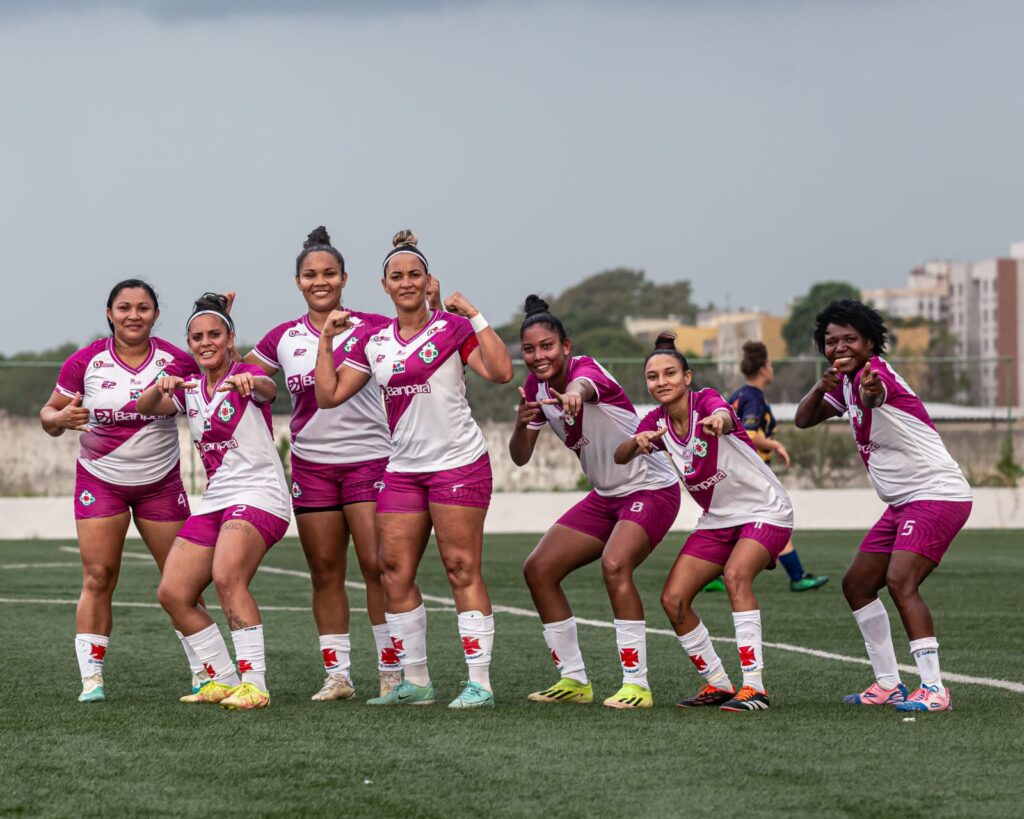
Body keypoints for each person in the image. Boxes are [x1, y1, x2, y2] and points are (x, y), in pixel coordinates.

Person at [315, 229, 513, 709]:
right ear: (384, 285)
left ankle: (479, 684)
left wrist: (476, 316)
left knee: (461, 567)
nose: (406, 283)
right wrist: (326, 341)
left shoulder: (451, 329)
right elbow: (329, 395)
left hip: (457, 464)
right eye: (397, 276)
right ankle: (418, 682)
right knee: (393, 571)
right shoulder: (375, 341)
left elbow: (501, 372)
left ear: (428, 282)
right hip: (403, 469)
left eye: (415, 275)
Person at [245, 226, 400, 702]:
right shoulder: (283, 337)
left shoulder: (374, 326)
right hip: (311, 467)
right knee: (325, 572)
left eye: (329, 273)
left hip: (369, 461)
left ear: (344, 278)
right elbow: (241, 372)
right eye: (310, 274)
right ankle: (338, 676)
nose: (320, 281)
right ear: (297, 282)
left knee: (377, 568)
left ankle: (391, 672)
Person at [794, 299, 971, 713]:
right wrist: (821, 386)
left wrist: (869, 392)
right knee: (856, 585)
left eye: (850, 339)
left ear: (870, 342)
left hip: (936, 494)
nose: (839, 346)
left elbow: (875, 396)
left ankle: (934, 688)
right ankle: (889, 683)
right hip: (903, 503)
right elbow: (803, 420)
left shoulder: (876, 376)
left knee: (900, 581)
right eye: (831, 340)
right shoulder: (844, 381)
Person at [40, 279, 206, 703]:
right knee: (98, 577)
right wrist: (61, 419)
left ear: (155, 314)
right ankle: (92, 680)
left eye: (144, 307)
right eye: (125, 307)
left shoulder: (177, 361)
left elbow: (207, 403)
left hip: (161, 485)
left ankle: (205, 672)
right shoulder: (85, 361)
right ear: (109, 313)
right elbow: (49, 413)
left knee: (182, 583)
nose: (134, 315)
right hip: (100, 481)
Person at [510, 296, 681, 709]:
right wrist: (521, 420)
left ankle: (636, 685)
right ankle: (574, 680)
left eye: (547, 346)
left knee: (615, 563)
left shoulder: (587, 370)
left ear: (565, 346)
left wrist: (572, 394)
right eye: (529, 349)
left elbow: (584, 386)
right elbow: (519, 456)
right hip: (606, 496)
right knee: (539, 569)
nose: (538, 356)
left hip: (650, 489)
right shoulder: (534, 388)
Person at [615, 333, 795, 712]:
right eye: (652, 376)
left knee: (735, 576)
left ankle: (755, 688)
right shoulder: (656, 420)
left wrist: (718, 420)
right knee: (673, 599)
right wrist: (639, 441)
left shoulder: (706, 401)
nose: (661, 381)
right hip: (718, 519)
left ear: (687, 377)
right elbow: (620, 454)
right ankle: (717, 683)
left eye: (669, 373)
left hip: (765, 508)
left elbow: (725, 415)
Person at [137, 293, 291, 711]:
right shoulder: (189, 388)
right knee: (173, 592)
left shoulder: (245, 375)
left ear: (230, 338)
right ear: (189, 344)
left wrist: (251, 379)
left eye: (214, 335)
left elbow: (268, 387)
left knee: (227, 575)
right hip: (217, 498)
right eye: (197, 337)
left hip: (260, 494)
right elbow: (143, 405)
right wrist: (160, 385)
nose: (206, 342)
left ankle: (254, 685)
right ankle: (222, 679)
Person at [707, 340, 828, 593]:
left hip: (737, 470)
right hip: (753, 470)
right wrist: (775, 445)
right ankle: (797, 576)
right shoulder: (753, 397)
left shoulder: (739, 394)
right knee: (774, 517)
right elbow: (749, 433)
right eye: (770, 364)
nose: (772, 369)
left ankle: (713, 575)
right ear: (763, 369)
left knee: (740, 521)